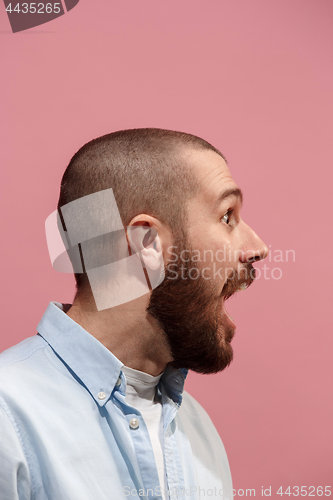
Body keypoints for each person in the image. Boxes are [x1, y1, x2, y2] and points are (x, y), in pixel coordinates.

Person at [0, 128, 268, 500]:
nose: (259, 248)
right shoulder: (7, 418)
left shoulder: (198, 431)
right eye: (227, 216)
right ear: (147, 242)